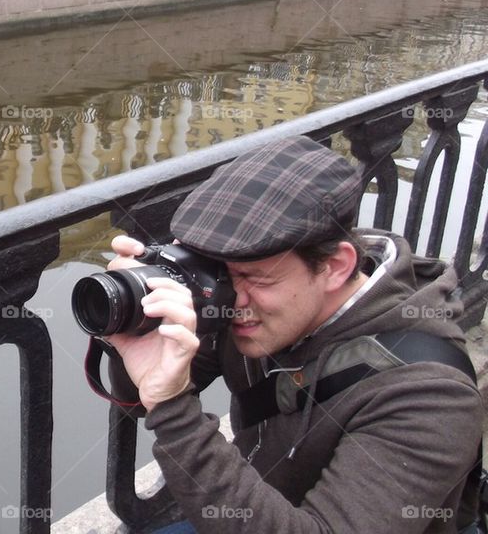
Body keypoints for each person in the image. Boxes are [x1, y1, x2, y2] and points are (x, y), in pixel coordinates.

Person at [105, 135, 483, 533]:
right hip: (253, 503)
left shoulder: (432, 398)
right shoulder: (253, 297)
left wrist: (176, 410)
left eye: (254, 278)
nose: (231, 298)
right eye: (220, 273)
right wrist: (136, 327)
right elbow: (141, 399)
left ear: (337, 266)